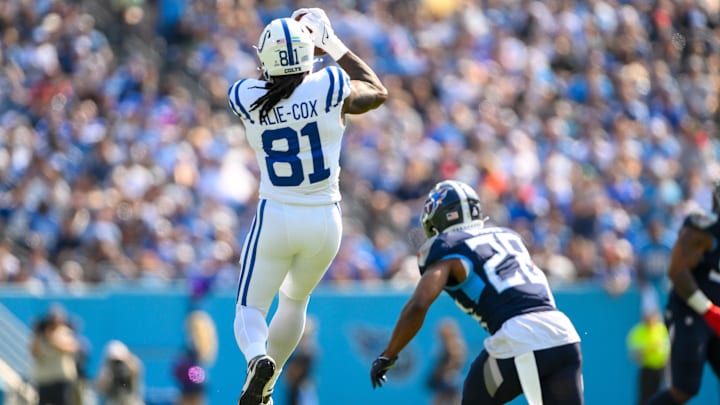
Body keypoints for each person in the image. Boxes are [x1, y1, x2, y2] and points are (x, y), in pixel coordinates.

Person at [227, 7, 387, 405]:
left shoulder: (245, 95)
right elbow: (376, 90)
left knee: (250, 308)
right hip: (325, 221)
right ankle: (269, 382)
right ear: (310, 55)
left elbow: (272, 83)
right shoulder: (330, 84)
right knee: (295, 301)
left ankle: (256, 358)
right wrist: (330, 44)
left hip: (276, 215)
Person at [369, 180, 584, 404]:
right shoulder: (508, 237)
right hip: (564, 334)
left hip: (521, 334)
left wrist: (389, 354)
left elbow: (419, 304)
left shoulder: (448, 248)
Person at [647, 180, 720, 405]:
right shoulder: (704, 227)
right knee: (684, 389)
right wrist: (708, 310)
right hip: (691, 313)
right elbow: (677, 271)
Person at [626, 285, 670, 405]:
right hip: (647, 370)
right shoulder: (637, 332)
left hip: (663, 369)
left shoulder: (661, 329)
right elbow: (634, 356)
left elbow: (668, 349)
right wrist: (650, 349)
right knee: (645, 399)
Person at [31, 304, 81, 405]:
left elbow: (71, 348)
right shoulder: (41, 335)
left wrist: (52, 340)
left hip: (60, 378)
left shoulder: (65, 332)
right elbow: (34, 353)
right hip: (44, 379)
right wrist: (36, 334)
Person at [426, 318, 466, 405]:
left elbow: (458, 362)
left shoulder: (456, 345)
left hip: (450, 379)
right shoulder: (441, 345)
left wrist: (446, 369)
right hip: (441, 380)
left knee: (453, 399)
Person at [95, 340, 144, 405]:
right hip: (114, 400)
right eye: (115, 362)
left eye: (120, 362)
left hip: (131, 400)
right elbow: (100, 389)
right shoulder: (107, 371)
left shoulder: (133, 366)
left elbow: (136, 388)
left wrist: (129, 369)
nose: (118, 366)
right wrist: (109, 375)